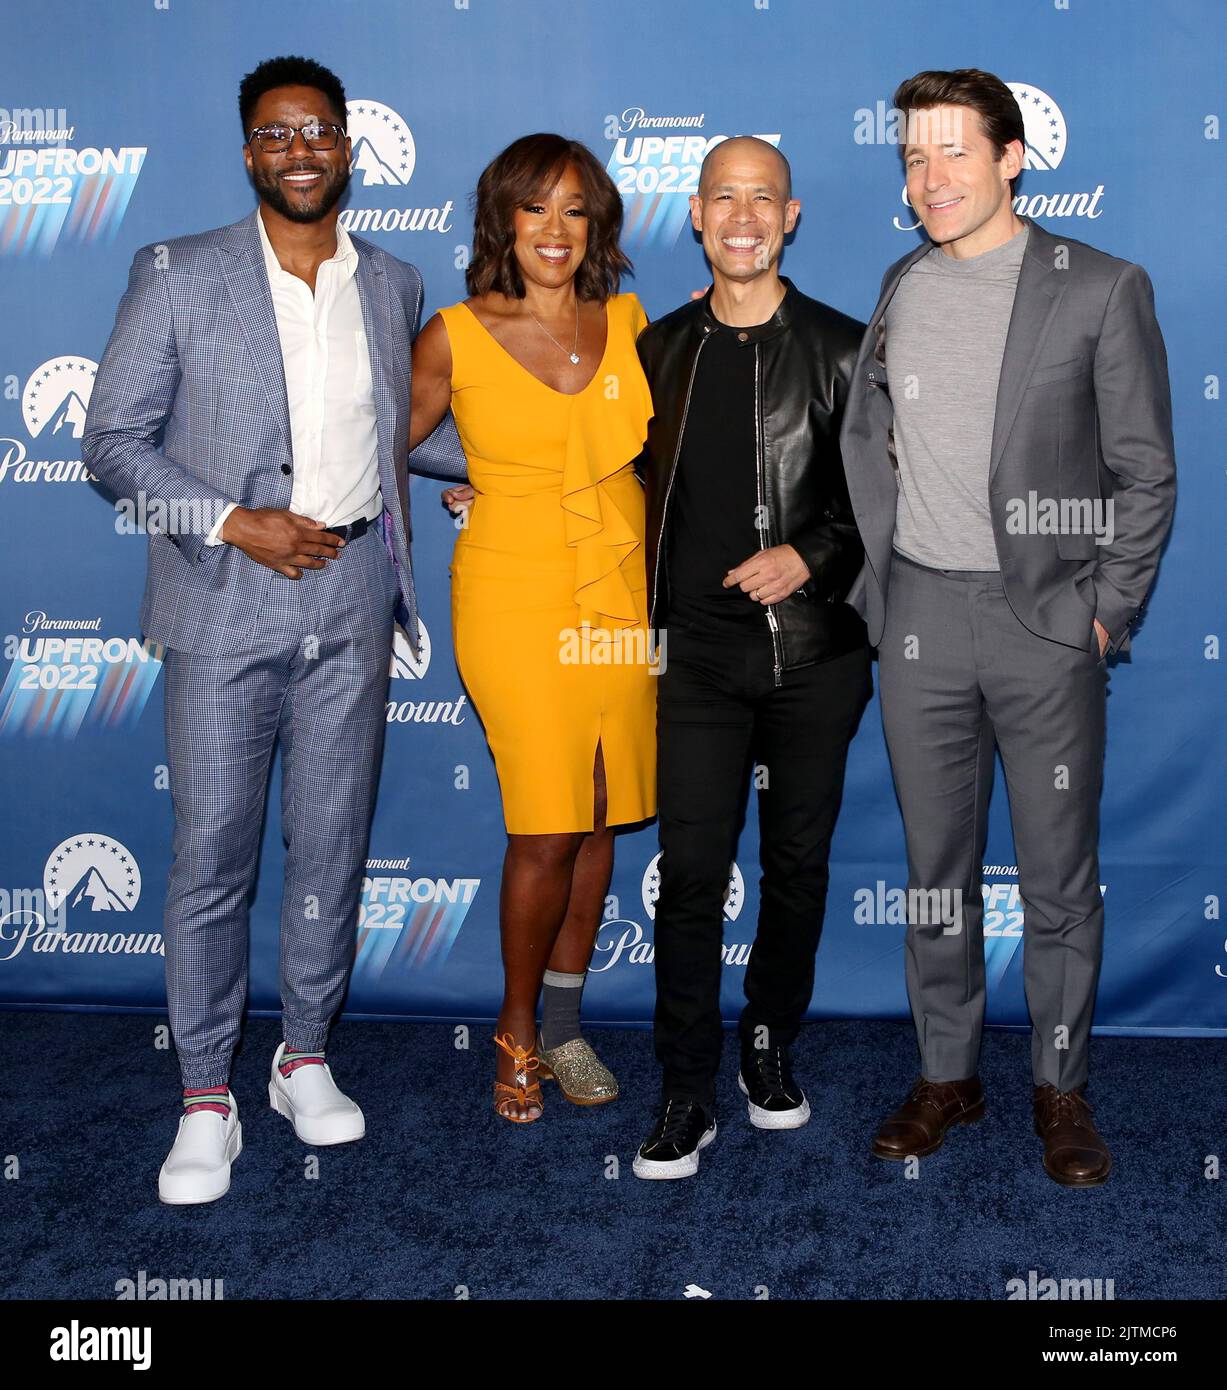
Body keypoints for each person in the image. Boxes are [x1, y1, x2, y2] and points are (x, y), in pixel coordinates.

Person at [82, 55, 465, 1204]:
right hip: (220, 604)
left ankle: (304, 1056)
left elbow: (395, 428)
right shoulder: (178, 272)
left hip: (352, 597)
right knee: (211, 859)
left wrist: (496, 477)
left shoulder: (394, 280)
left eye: (319, 130)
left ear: (349, 147)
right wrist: (234, 522)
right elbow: (111, 444)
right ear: (250, 153)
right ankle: (206, 1093)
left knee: (332, 845)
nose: (301, 148)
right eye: (276, 133)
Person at [840, 69, 1176, 1186]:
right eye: (912, 159)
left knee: (1057, 877)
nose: (930, 179)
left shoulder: (1099, 285)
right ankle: (950, 1074)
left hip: (1044, 623)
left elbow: (1145, 473)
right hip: (922, 615)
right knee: (936, 869)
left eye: (954, 155)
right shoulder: (901, 283)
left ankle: (1060, 1087)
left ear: (1013, 157)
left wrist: (1101, 615)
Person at [629, 137, 872, 1180]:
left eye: (761, 197)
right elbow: (605, 475)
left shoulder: (846, 348)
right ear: (695, 214)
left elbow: (888, 507)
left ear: (792, 214)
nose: (741, 215)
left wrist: (808, 555)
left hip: (814, 653)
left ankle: (768, 1042)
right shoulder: (657, 349)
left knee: (797, 865)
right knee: (688, 875)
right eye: (723, 196)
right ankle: (685, 1083)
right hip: (692, 658)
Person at [411, 133, 656, 1123]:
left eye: (574, 210)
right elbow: (381, 440)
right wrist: (465, 479)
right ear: (502, 219)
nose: (554, 230)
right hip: (514, 590)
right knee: (547, 820)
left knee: (601, 810)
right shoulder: (456, 333)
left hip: (621, 583)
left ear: (595, 225)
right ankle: (516, 1031)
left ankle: (565, 1023)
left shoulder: (631, 323)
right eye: (534, 207)